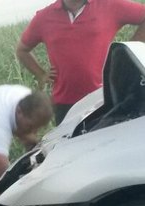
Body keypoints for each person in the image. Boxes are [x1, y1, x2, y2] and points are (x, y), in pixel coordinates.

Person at [16, 0, 145, 125]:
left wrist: (127, 51)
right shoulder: (44, 17)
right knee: (71, 146)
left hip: (105, 99)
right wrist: (41, 74)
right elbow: (22, 49)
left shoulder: (109, 5)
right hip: (65, 105)